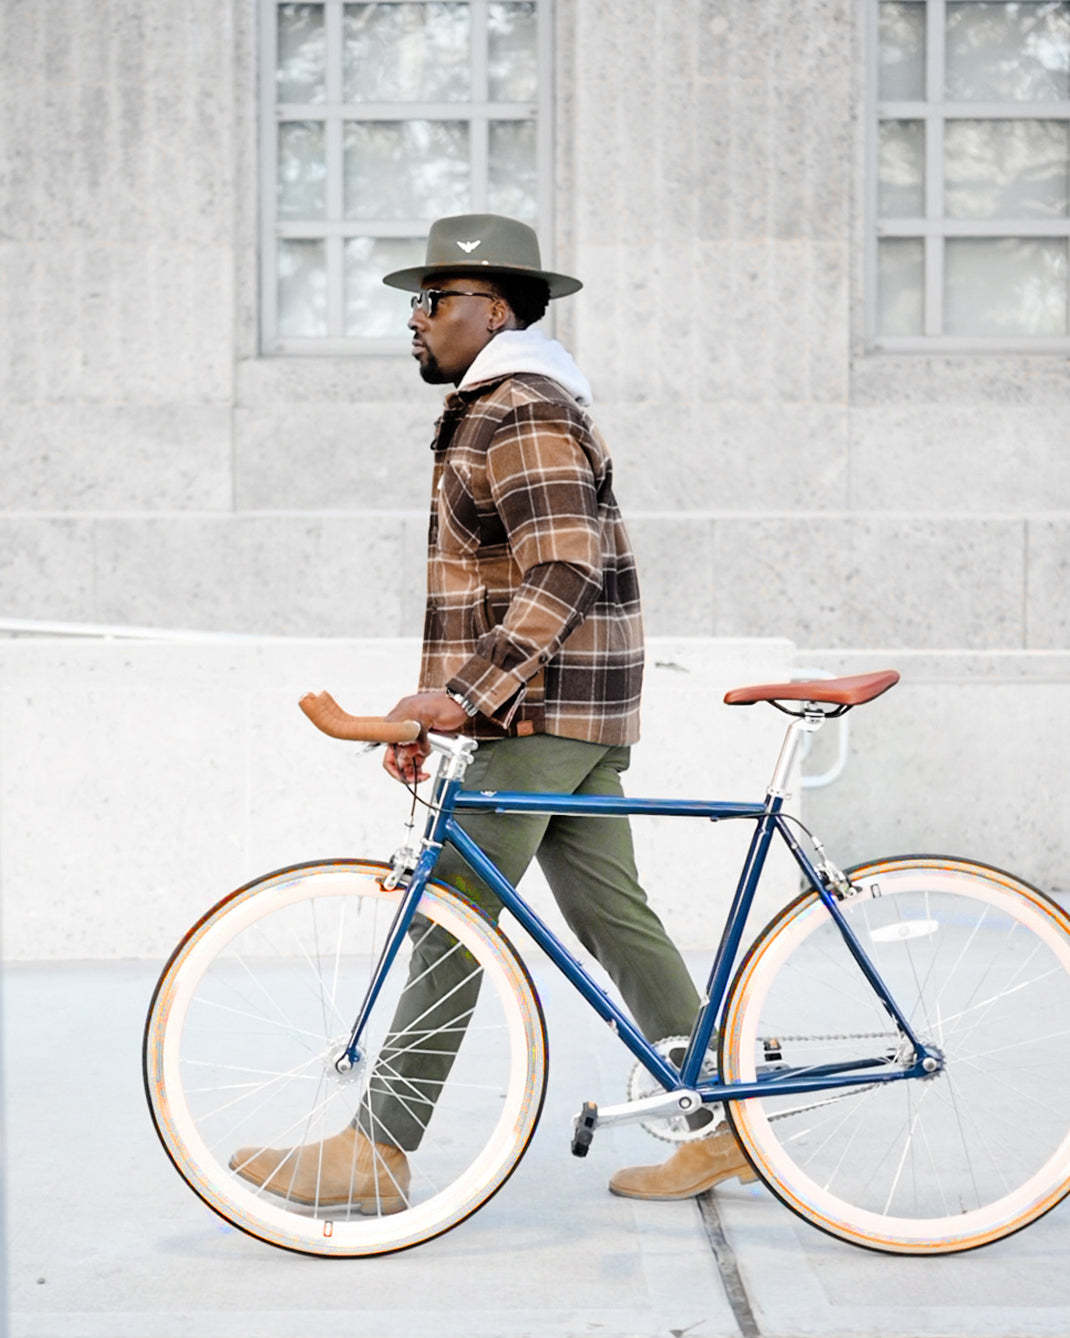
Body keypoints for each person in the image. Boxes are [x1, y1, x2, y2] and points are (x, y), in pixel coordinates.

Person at [232, 214, 755, 1211]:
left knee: (452, 915)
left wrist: (467, 698)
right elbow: (512, 576)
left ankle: (375, 1151)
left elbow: (562, 564)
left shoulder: (516, 408)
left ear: (497, 308)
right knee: (613, 918)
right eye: (415, 303)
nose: (415, 320)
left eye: (433, 301)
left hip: (538, 710)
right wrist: (446, 713)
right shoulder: (508, 403)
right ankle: (718, 1119)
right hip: (557, 707)